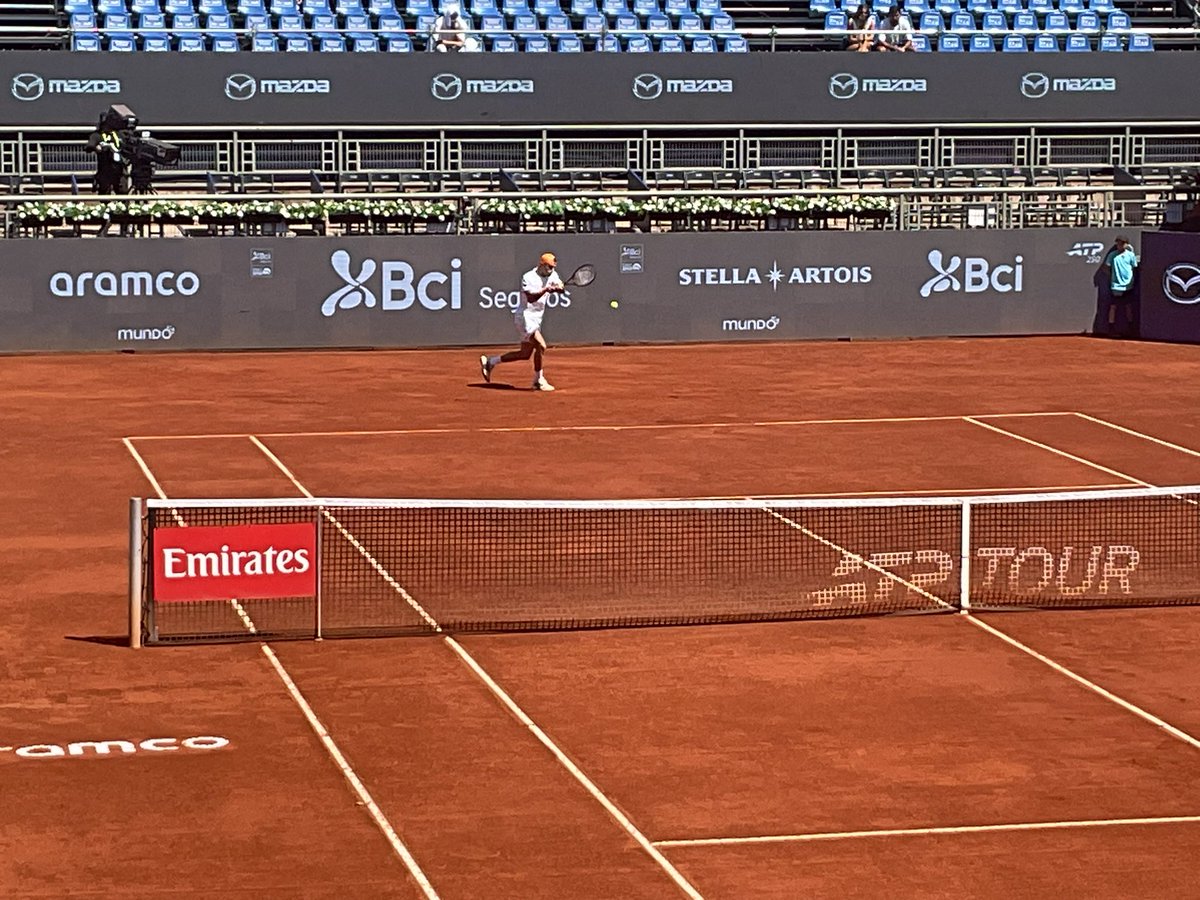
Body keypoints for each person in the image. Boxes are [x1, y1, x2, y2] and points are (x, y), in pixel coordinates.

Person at [481, 252, 564, 391]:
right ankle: (538, 380)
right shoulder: (528, 277)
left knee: (524, 354)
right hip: (525, 318)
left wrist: (560, 288)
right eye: (549, 267)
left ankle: (490, 362)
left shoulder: (553, 275)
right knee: (541, 346)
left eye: (553, 267)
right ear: (541, 265)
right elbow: (531, 298)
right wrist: (546, 290)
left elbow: (560, 288)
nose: (551, 270)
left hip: (537, 319)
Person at [1096, 236, 1139, 337]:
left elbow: (1134, 267)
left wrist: (1130, 279)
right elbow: (1106, 267)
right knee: (1113, 307)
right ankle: (1111, 329)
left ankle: (1130, 328)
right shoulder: (1112, 255)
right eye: (1119, 243)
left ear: (1127, 244)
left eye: (1123, 243)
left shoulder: (1131, 255)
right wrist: (1113, 277)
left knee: (1128, 307)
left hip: (1128, 286)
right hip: (1116, 287)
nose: (1121, 245)